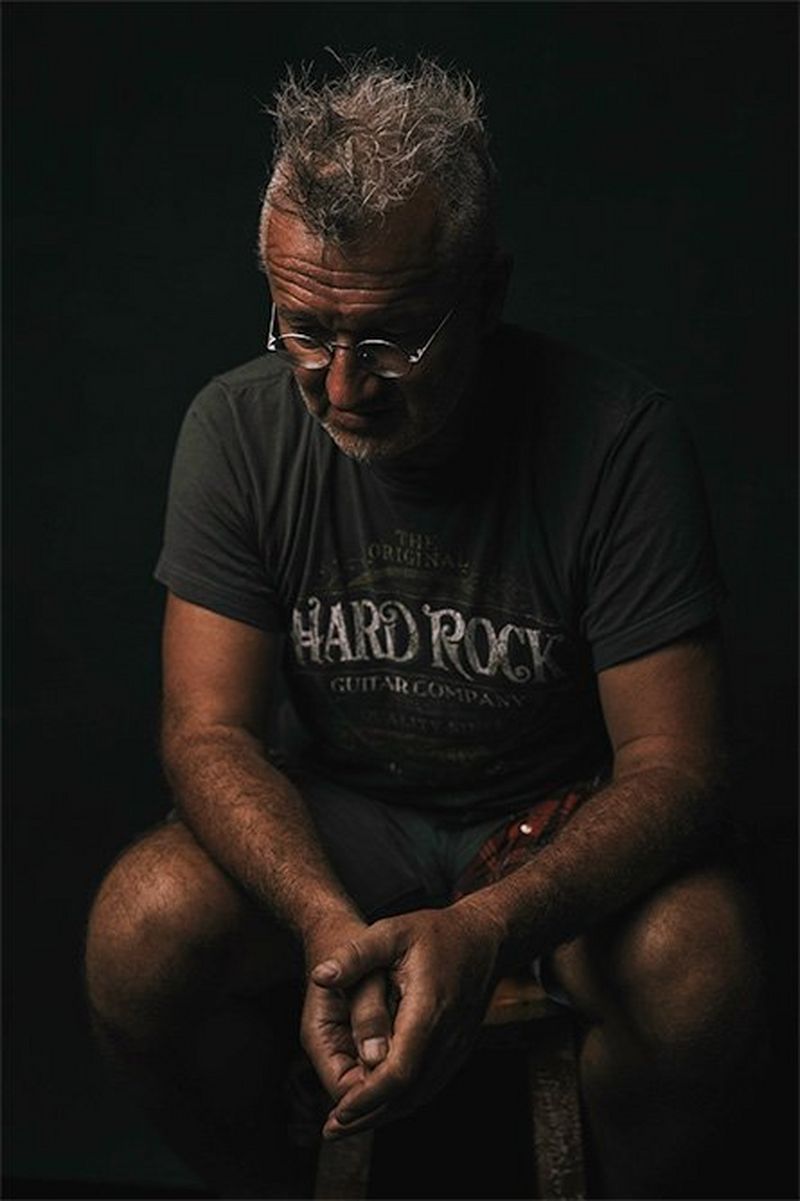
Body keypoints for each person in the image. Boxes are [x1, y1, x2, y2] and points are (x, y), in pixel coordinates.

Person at [84, 53, 767, 1199]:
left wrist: (490, 924)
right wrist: (322, 926)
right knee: (142, 926)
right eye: (304, 330)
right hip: (340, 830)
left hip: (548, 832)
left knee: (703, 964)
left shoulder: (616, 439)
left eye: (394, 337)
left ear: (484, 297)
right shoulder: (235, 430)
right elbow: (208, 732)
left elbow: (678, 763)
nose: (344, 388)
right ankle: (279, 1179)